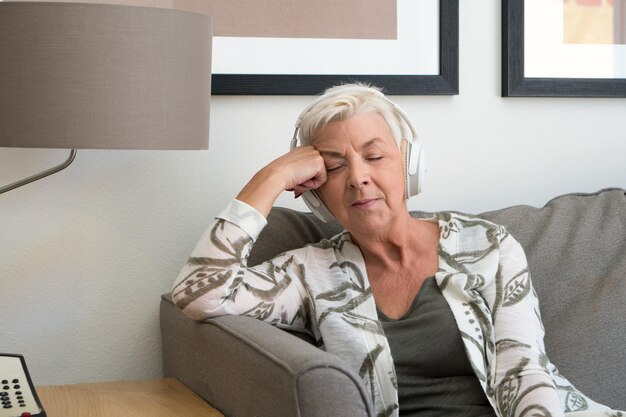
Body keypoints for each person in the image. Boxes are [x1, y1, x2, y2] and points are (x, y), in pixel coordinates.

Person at [171, 84, 621, 417]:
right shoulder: (310, 272)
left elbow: (525, 372)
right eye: (334, 166)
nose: (358, 177)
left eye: (375, 156)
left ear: (410, 165)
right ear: (314, 192)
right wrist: (271, 177)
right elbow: (198, 294)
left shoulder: (488, 245)